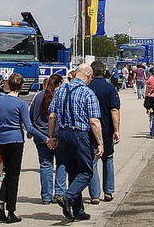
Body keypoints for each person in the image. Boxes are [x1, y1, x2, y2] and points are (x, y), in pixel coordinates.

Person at [47, 62, 103, 222]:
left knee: (73, 172)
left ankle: (78, 211)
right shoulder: (87, 93)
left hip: (63, 134)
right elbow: (94, 121)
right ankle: (68, 197)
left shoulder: (61, 90)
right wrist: (100, 142)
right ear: (88, 76)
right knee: (86, 172)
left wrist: (51, 136)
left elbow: (52, 116)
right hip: (79, 135)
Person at [0, 72, 42, 224]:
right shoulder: (21, 104)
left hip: (2, 140)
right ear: (22, 86)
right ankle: (11, 211)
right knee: (14, 176)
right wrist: (45, 138)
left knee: (7, 173)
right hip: (16, 140)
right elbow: (29, 127)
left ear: (8, 84)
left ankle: (1, 204)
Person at [29, 74, 67, 205]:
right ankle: (60, 193)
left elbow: (31, 115)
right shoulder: (61, 97)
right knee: (62, 164)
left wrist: (45, 137)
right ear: (59, 84)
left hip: (41, 136)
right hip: (57, 136)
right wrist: (53, 137)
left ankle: (46, 196)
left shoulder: (38, 96)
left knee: (46, 165)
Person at [88, 60, 120, 205]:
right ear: (104, 71)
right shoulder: (110, 88)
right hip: (106, 129)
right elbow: (114, 110)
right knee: (108, 159)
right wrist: (117, 129)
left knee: (93, 161)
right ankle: (108, 191)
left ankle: (94, 195)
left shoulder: (87, 87)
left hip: (89, 129)